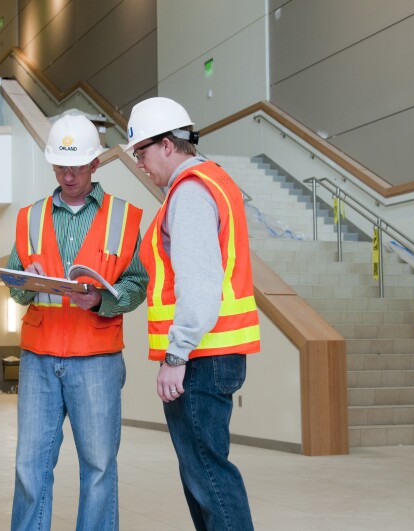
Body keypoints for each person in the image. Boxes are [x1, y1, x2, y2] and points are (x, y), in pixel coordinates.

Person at [124, 97, 260, 530]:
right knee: (203, 474)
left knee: (209, 478)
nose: (140, 163)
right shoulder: (212, 182)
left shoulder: (191, 192)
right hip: (213, 355)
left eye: (141, 152)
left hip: (201, 358)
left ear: (167, 145)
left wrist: (175, 355)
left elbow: (199, 286)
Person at [6, 114, 147, 530]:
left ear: (96, 165)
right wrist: (25, 284)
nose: (68, 176)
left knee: (100, 468)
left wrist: (102, 298)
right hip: (38, 357)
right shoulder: (29, 217)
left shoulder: (125, 217)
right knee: (30, 467)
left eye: (77, 167)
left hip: (97, 359)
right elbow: (15, 281)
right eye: (60, 167)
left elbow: (137, 285)